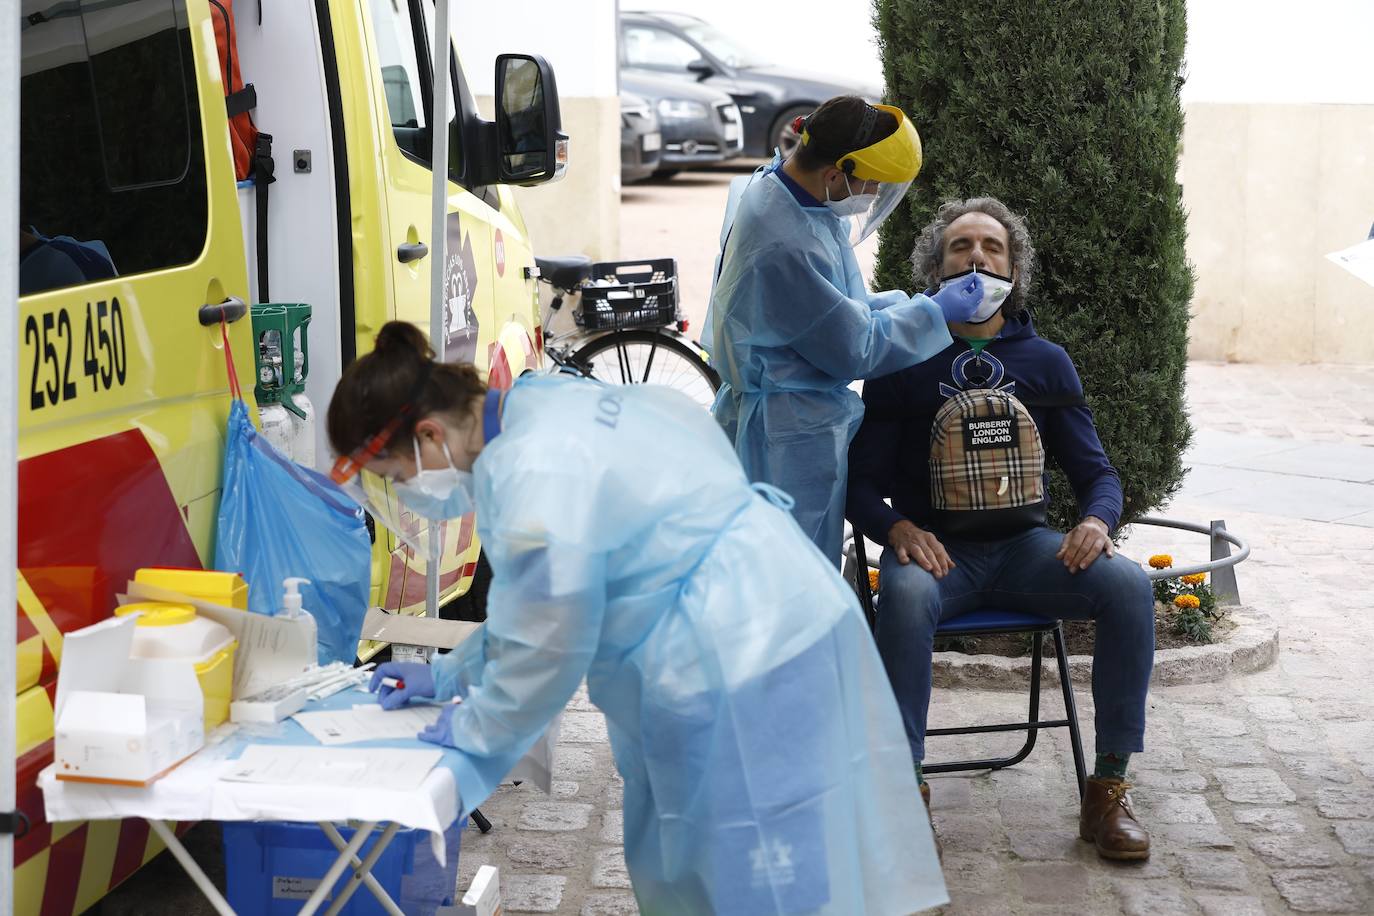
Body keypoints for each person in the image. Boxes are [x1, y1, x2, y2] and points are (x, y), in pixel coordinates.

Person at [327, 322, 946, 914]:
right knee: (740, 863)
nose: (408, 491)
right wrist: (452, 676)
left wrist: (477, 733)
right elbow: (538, 609)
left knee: (749, 874)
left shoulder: (532, 467)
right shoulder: (546, 402)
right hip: (772, 608)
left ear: (431, 435)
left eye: (397, 477)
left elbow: (546, 643)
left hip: (733, 655)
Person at [846, 198, 1156, 861]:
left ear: (1014, 270)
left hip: (1026, 552)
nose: (978, 257)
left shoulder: (1045, 361)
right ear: (936, 269)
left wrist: (1098, 522)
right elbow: (861, 485)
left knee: (1129, 586)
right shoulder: (901, 357)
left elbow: (1099, 473)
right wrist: (896, 527)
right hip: (937, 556)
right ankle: (905, 791)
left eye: (993, 247)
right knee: (901, 595)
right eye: (961, 247)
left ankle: (1108, 790)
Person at [707, 95, 986, 565]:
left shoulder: (787, 192)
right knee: (793, 575)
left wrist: (905, 304)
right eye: (870, 182)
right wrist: (934, 313)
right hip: (787, 432)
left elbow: (826, 307)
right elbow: (854, 346)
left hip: (783, 411)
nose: (874, 194)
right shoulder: (785, 241)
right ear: (835, 174)